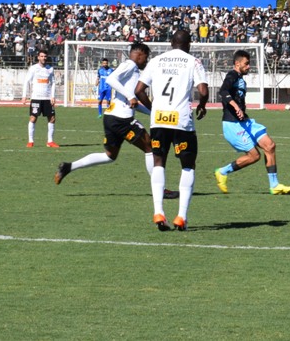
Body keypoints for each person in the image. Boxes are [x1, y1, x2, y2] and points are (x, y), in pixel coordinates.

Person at [54, 43, 175, 199]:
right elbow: (111, 79)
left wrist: (153, 112)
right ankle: (160, 190)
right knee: (150, 147)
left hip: (111, 117)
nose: (146, 61)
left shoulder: (131, 71)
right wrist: (130, 96)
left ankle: (68, 167)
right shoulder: (130, 65)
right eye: (146, 57)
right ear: (139, 55)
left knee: (110, 156)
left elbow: (132, 103)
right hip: (122, 120)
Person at [134, 30, 209, 232]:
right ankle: (181, 216)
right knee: (188, 166)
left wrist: (153, 108)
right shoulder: (193, 62)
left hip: (159, 119)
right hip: (181, 120)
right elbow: (203, 91)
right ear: (189, 44)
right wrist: (202, 105)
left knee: (159, 163)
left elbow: (138, 90)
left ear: (171, 43)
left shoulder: (156, 61)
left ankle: (158, 211)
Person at [214, 50, 290, 195]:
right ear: (237, 63)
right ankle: (222, 172)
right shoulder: (232, 75)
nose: (248, 66)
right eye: (246, 64)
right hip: (232, 124)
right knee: (254, 156)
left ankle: (274, 185)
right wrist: (235, 106)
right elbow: (223, 91)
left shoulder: (241, 79)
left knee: (270, 146)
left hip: (245, 122)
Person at [22, 49, 59, 148]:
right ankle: (30, 141)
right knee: (33, 118)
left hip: (47, 98)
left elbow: (53, 83)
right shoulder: (33, 68)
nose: (43, 58)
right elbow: (27, 81)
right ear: (38, 57)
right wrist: (24, 96)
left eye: (45, 56)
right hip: (36, 97)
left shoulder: (50, 69)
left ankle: (50, 141)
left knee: (52, 118)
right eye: (41, 56)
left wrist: (52, 96)